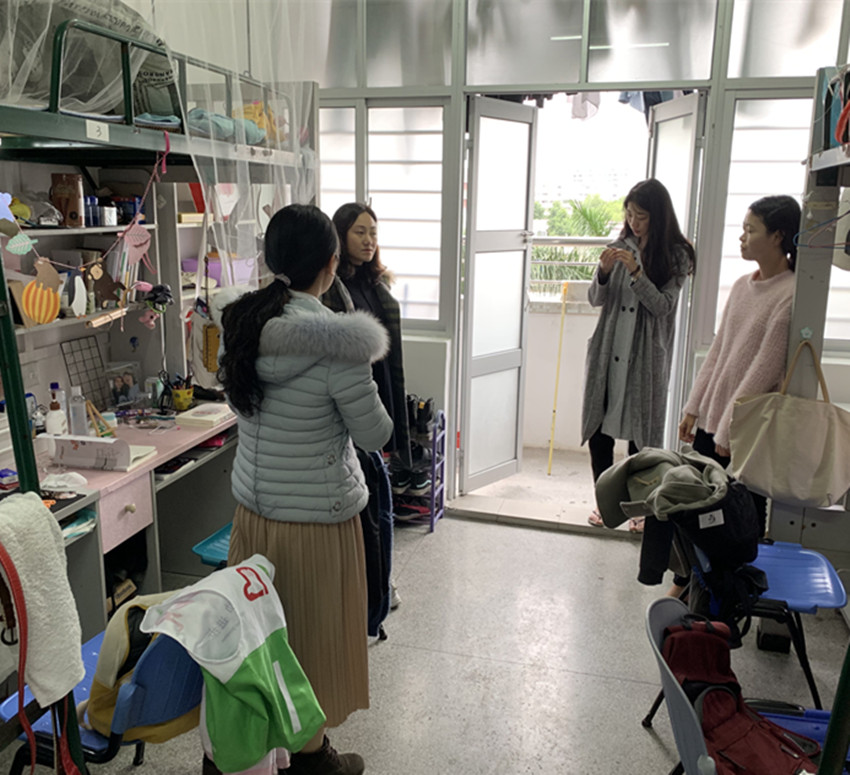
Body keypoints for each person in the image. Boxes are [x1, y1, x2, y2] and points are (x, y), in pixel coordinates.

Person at [217, 204, 393, 775]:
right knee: (314, 643)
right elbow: (375, 434)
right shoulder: (339, 344)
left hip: (253, 518)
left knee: (261, 640)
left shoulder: (242, 327)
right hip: (318, 521)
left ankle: (270, 748)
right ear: (331, 264)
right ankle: (314, 759)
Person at [679, 194, 801, 537]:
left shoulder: (791, 293)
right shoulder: (741, 286)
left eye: (750, 230)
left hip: (745, 428)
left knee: (741, 513)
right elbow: (718, 351)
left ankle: (741, 571)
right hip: (713, 418)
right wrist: (693, 408)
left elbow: (764, 370)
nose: (742, 237)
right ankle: (696, 570)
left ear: (777, 236)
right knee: (698, 505)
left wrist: (730, 428)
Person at [583, 178, 696, 532]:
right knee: (599, 431)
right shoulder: (618, 246)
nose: (633, 222)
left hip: (645, 358)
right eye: (629, 214)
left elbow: (662, 307)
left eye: (641, 216)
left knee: (642, 437)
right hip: (608, 353)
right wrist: (603, 273)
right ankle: (605, 504)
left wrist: (636, 272)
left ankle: (642, 509)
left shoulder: (678, 255)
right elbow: (595, 299)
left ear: (658, 217)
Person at [324, 202, 414, 619]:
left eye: (373, 232)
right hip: (351, 407)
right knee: (371, 505)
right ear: (340, 235)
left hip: (380, 397)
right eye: (359, 232)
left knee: (381, 501)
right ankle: (373, 586)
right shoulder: (331, 289)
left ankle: (381, 580)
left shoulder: (375, 283)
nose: (368, 240)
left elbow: (389, 356)